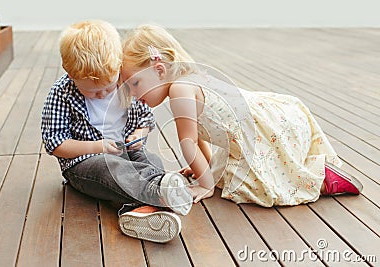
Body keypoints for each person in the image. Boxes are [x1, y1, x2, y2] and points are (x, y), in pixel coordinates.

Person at [120, 24, 363, 207]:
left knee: (257, 186)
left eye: (135, 83)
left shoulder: (179, 90)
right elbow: (199, 138)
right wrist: (203, 170)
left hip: (258, 131)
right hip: (260, 118)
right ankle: (317, 169)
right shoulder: (189, 78)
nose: (132, 93)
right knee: (227, 175)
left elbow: (188, 142)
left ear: (159, 69)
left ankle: (323, 179)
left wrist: (205, 184)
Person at [41, 20, 192, 243]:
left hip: (126, 152)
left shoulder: (126, 84)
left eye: (108, 87)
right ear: (70, 74)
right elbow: (55, 143)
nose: (102, 95)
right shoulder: (61, 94)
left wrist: (138, 135)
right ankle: (160, 191)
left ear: (117, 67)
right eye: (92, 92)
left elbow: (145, 119)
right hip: (85, 163)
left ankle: (141, 212)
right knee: (109, 169)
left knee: (148, 158)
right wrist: (96, 147)